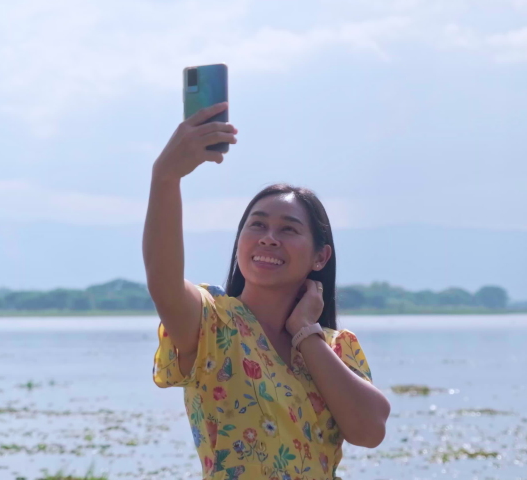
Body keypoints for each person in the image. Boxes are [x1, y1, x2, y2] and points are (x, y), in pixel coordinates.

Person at [143, 101, 390, 480]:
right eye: (257, 226)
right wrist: (165, 177)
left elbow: (370, 430)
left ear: (320, 257)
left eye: (288, 229)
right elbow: (164, 280)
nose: (269, 239)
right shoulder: (212, 323)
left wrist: (307, 334)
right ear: (240, 240)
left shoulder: (337, 347)